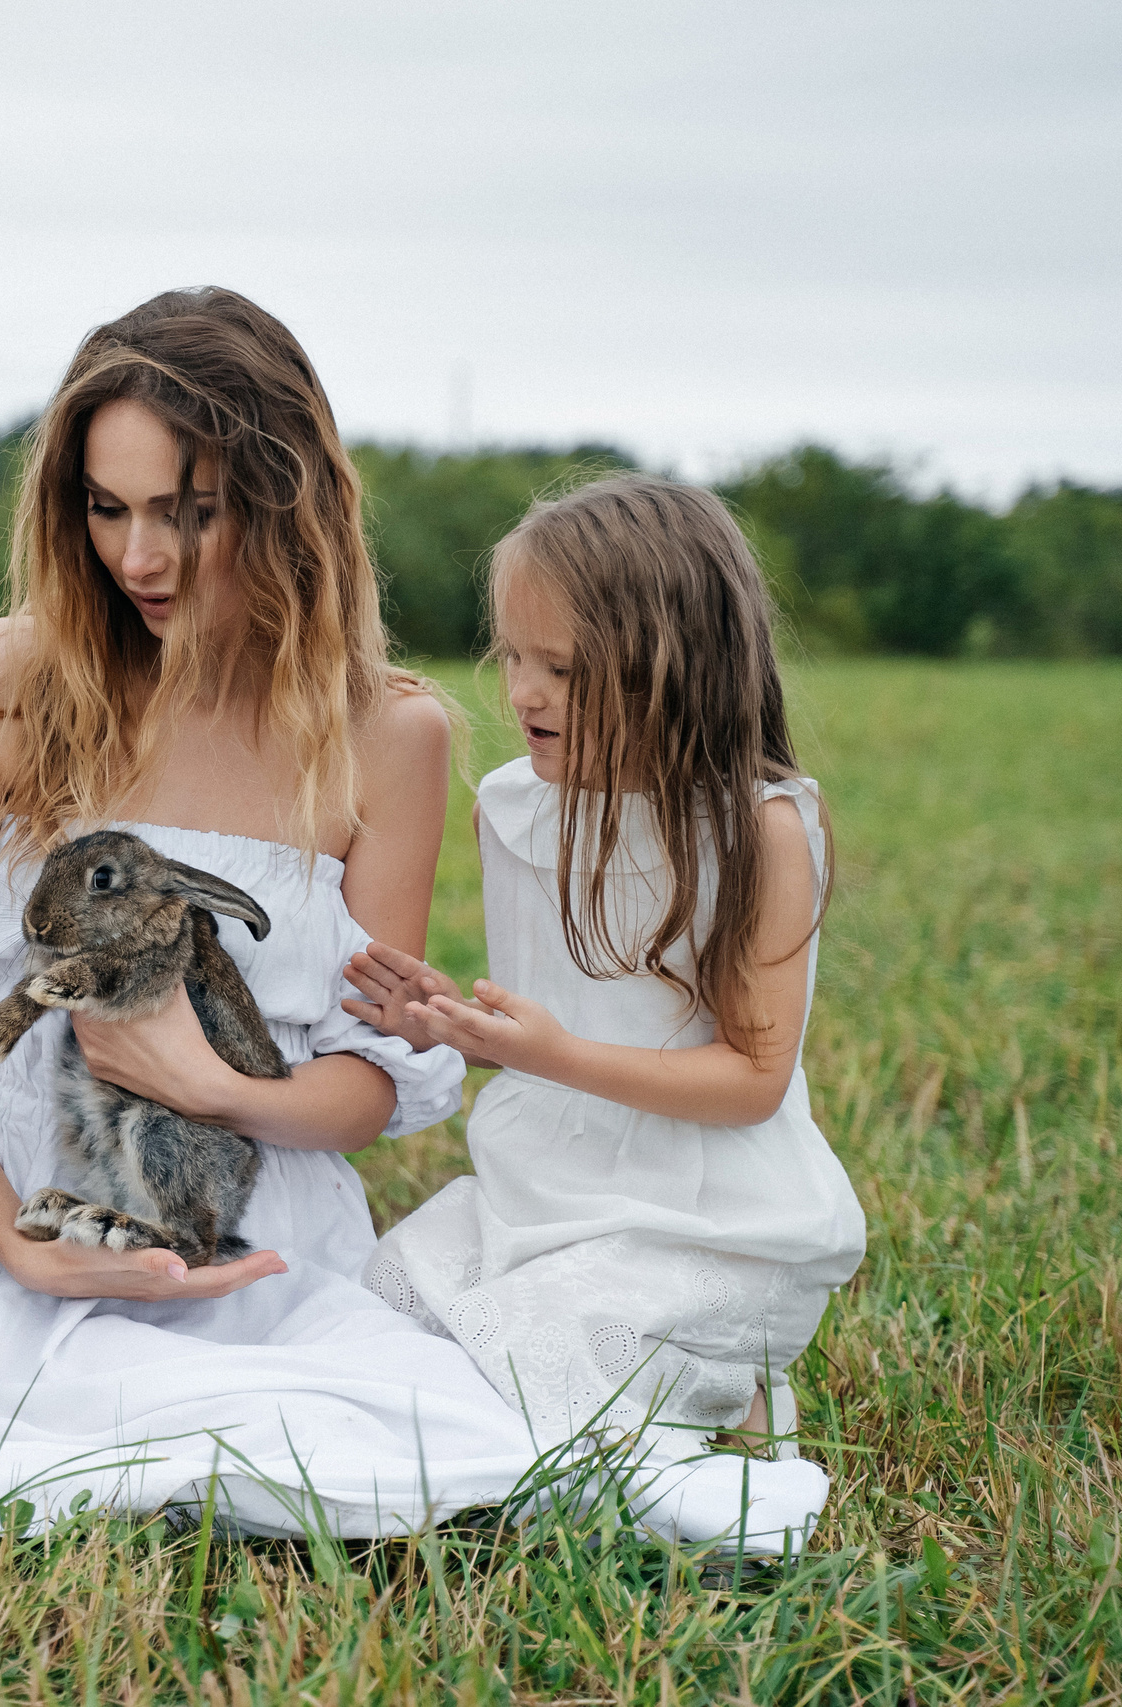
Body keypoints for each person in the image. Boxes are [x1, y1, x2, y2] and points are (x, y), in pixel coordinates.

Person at [0, 289, 817, 1554]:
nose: (140, 560)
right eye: (106, 510)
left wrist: (212, 1088)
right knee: (78, 1441)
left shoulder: (386, 736)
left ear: (289, 501)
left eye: (191, 513)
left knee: (411, 1433)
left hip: (260, 1214)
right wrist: (18, 1244)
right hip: (16, 1205)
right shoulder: (0, 687)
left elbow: (364, 1083)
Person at [347, 472, 866, 1471]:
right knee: (384, 1308)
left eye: (565, 669)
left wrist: (552, 1052)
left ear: (676, 669)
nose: (522, 693)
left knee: (536, 1369)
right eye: (511, 656)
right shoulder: (513, 807)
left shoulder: (755, 833)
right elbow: (557, 1022)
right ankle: (678, 1383)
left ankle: (732, 1388)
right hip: (547, 1190)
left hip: (706, 1218)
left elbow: (751, 1082)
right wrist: (459, 1025)